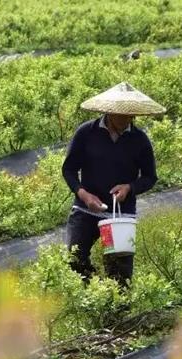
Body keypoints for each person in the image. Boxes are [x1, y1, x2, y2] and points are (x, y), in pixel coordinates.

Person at [62, 83, 166, 286]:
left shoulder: (139, 140)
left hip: (120, 216)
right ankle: (94, 293)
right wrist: (83, 194)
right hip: (86, 210)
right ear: (108, 111)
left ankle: (116, 310)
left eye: (131, 115)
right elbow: (69, 169)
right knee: (74, 258)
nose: (127, 119)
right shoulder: (86, 133)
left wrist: (129, 188)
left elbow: (149, 177)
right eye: (122, 115)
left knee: (119, 272)